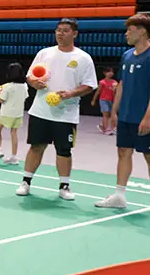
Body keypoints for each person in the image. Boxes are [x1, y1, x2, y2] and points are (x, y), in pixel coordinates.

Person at [95, 13, 150, 216]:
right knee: (123, 152)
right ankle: (119, 196)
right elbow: (122, 85)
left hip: (145, 117)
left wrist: (148, 117)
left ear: (142, 31)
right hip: (126, 116)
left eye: (130, 30)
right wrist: (115, 111)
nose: (126, 33)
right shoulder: (127, 55)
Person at [17, 18, 97, 201]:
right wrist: (34, 83)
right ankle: (26, 182)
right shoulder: (44, 53)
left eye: (65, 30)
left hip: (66, 114)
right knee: (36, 147)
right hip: (40, 111)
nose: (60, 33)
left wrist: (70, 94)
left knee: (64, 150)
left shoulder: (83, 58)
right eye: (58, 30)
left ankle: (64, 186)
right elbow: (30, 76)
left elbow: (90, 85)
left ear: (74, 34)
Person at [0, 62, 28, 165]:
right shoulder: (24, 86)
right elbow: (25, 97)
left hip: (6, 113)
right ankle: (14, 157)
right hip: (18, 114)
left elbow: (2, 100)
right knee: (14, 133)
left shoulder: (6, 87)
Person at [92, 67, 118, 135]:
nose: (110, 73)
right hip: (103, 100)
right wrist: (93, 100)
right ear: (104, 73)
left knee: (111, 114)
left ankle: (105, 126)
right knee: (106, 114)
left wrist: (115, 89)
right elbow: (98, 91)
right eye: (108, 71)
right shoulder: (102, 82)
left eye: (112, 72)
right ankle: (106, 130)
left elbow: (117, 93)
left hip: (112, 100)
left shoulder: (115, 82)